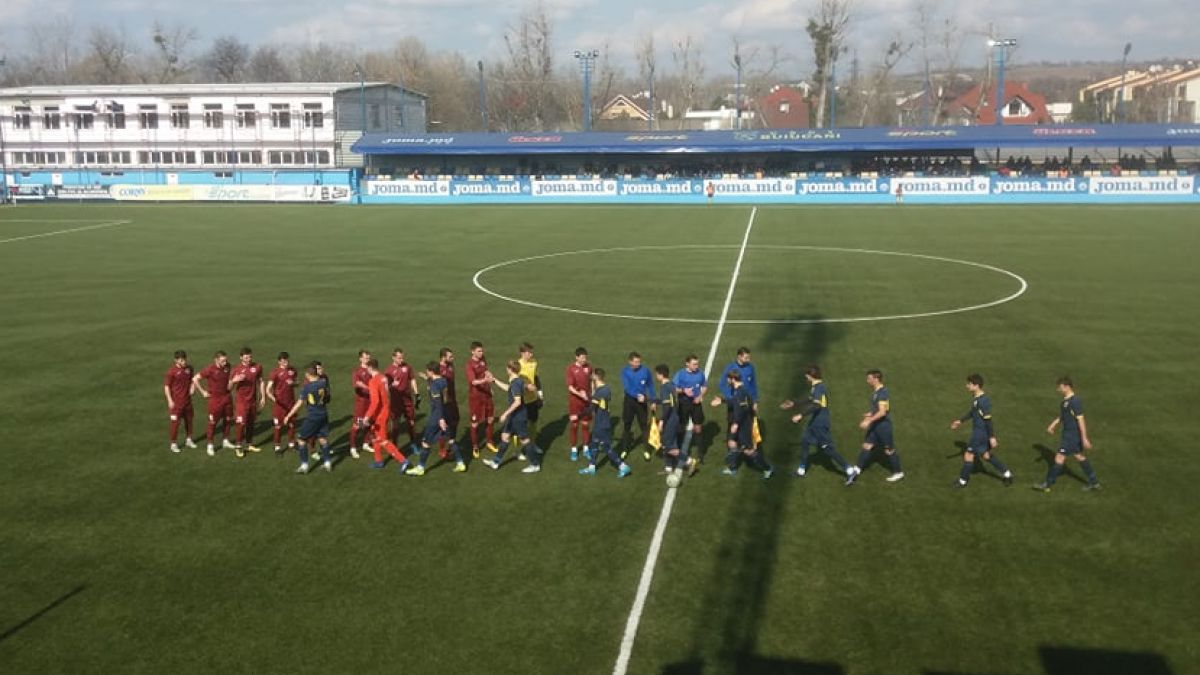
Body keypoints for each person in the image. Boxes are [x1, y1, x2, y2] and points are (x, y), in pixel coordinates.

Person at [781, 365, 854, 481]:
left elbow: (817, 405)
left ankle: (849, 469)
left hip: (820, 423)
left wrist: (800, 415)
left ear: (811, 376)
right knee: (805, 442)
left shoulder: (819, 388)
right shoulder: (816, 387)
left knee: (828, 449)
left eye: (807, 376)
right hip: (815, 422)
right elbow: (810, 399)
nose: (806, 378)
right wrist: (794, 403)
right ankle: (801, 470)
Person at [1034, 377, 1101, 492]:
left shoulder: (1074, 402)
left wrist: (1084, 438)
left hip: (1071, 436)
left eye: (1060, 387)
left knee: (1059, 457)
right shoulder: (1065, 401)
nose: (1058, 389)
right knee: (1078, 456)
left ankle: (1047, 484)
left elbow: (1081, 420)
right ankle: (1094, 482)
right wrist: (1053, 424)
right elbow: (1064, 415)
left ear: (1067, 387)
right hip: (1069, 435)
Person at [950, 374, 1013, 488]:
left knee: (968, 455)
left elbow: (988, 420)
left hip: (980, 434)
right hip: (981, 433)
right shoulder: (977, 398)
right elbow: (972, 412)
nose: (966, 386)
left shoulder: (983, 401)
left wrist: (992, 437)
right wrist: (960, 420)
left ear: (976, 385)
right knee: (986, 456)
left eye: (969, 384)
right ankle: (1007, 474)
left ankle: (962, 481)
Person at [482, 360, 544, 474]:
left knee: (525, 440)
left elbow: (517, 402)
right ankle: (495, 462)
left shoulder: (516, 382)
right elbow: (509, 388)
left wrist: (505, 414)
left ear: (510, 369)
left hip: (518, 417)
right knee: (505, 437)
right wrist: (494, 380)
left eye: (507, 368)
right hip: (514, 416)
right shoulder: (517, 380)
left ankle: (535, 464)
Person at [407, 361, 466, 475]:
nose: (426, 372)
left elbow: (438, 402)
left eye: (427, 371)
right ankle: (460, 463)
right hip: (447, 413)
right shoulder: (444, 381)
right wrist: (427, 378)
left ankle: (420, 468)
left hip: (437, 417)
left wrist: (440, 419)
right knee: (451, 439)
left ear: (431, 371)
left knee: (426, 443)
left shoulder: (434, 385)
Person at [846, 370, 904, 485]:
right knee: (867, 446)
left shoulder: (882, 393)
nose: (867, 381)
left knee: (888, 450)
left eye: (869, 378)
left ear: (876, 379)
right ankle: (857, 469)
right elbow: (880, 409)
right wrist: (870, 413)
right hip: (876, 426)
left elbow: (882, 412)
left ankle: (898, 472)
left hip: (883, 427)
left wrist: (869, 421)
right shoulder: (877, 392)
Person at [579, 368, 631, 477]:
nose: (591, 376)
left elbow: (591, 408)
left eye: (593, 375)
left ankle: (623, 466)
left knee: (606, 448)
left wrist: (577, 416)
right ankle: (591, 467)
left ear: (597, 377)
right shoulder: (606, 389)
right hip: (602, 422)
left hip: (601, 424)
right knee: (594, 444)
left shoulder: (600, 391)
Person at [282, 364, 334, 474]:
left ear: (308, 375)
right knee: (322, 439)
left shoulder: (307, 388)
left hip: (312, 417)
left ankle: (304, 465)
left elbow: (299, 404)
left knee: (301, 440)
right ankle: (328, 463)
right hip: (323, 414)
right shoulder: (323, 382)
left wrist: (288, 415)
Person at [723, 370, 773, 479]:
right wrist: (723, 400)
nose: (727, 381)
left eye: (728, 379)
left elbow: (741, 410)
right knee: (731, 443)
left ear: (733, 379)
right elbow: (742, 404)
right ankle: (732, 468)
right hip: (743, 424)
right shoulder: (741, 391)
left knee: (748, 451)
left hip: (743, 427)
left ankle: (767, 468)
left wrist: (735, 424)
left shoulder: (739, 393)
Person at [364, 358, 410, 471]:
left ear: (370, 368)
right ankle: (378, 461)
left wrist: (367, 416)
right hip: (385, 409)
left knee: (382, 440)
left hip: (379, 414)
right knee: (374, 435)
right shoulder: (383, 377)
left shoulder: (373, 381)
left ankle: (403, 460)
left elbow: (375, 402)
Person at [194, 351, 235, 456]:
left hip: (227, 398)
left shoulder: (228, 366)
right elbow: (195, 379)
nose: (225, 362)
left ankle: (225, 441)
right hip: (215, 400)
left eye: (226, 360)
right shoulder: (209, 369)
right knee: (212, 423)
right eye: (223, 361)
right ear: (216, 360)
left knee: (228, 419)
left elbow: (229, 382)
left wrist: (233, 382)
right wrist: (203, 392)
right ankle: (210, 445)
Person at [228, 347, 266, 458]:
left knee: (250, 423)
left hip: (253, 401)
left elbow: (261, 381)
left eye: (249, 357)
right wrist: (235, 380)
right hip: (241, 403)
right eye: (246, 357)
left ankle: (249, 444)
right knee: (241, 424)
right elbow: (229, 387)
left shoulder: (257, 367)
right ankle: (238, 446)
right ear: (241, 358)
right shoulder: (236, 369)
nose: (248, 359)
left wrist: (263, 397)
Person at [620, 351, 656, 460]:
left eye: (639, 362)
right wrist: (637, 396)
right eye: (635, 362)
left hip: (642, 402)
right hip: (630, 401)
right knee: (627, 425)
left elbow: (650, 386)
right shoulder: (625, 372)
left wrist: (653, 400)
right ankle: (625, 449)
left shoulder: (645, 371)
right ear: (630, 362)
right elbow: (627, 387)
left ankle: (646, 450)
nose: (638, 364)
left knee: (644, 426)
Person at [467, 341, 497, 458]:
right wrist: (485, 381)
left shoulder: (483, 359)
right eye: (479, 351)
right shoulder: (469, 365)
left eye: (482, 350)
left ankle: (489, 441)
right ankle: (475, 446)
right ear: (472, 351)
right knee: (475, 423)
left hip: (487, 395)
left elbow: (485, 371)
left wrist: (489, 382)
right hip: (476, 398)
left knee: (490, 419)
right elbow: (473, 381)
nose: (481, 353)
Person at [385, 348, 419, 451]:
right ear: (393, 357)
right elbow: (385, 388)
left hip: (407, 400)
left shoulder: (407, 366)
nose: (401, 360)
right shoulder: (388, 371)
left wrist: (417, 393)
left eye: (402, 357)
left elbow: (412, 379)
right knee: (395, 425)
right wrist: (392, 385)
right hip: (396, 402)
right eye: (399, 358)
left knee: (411, 423)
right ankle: (394, 446)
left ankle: (413, 443)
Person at [655, 364, 685, 477]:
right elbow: (667, 401)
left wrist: (662, 421)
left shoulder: (664, 387)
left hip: (670, 420)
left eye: (657, 374)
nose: (656, 377)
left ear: (661, 375)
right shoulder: (672, 385)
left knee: (668, 446)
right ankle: (668, 468)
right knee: (667, 443)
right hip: (674, 417)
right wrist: (652, 401)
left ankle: (689, 461)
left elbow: (667, 407)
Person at [163, 350, 197, 453]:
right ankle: (173, 443)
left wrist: (193, 387)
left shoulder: (189, 369)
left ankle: (189, 439)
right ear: (176, 361)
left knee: (189, 421)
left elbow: (193, 380)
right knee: (175, 424)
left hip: (187, 401)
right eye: (181, 360)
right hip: (176, 403)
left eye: (184, 359)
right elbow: (166, 387)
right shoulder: (171, 372)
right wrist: (170, 400)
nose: (184, 362)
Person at [266, 352, 299, 455]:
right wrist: (274, 399)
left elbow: (297, 382)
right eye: (283, 361)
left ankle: (291, 444)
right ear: (279, 362)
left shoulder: (292, 370)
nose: (286, 363)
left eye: (287, 361)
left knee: (291, 424)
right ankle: (277, 446)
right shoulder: (275, 372)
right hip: (279, 404)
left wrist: (293, 383)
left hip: (291, 402)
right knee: (278, 426)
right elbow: (268, 389)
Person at [565, 347, 593, 462]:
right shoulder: (571, 369)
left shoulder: (589, 367)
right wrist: (581, 395)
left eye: (585, 358)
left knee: (585, 424)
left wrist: (593, 394)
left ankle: (586, 447)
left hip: (586, 401)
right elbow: (570, 387)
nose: (584, 360)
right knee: (574, 425)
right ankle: (574, 449)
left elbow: (592, 381)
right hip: (575, 402)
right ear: (576, 357)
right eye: (582, 358)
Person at [673, 354, 707, 445]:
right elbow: (673, 388)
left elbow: (704, 386)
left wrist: (699, 397)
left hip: (696, 403)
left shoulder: (700, 373)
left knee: (698, 427)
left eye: (697, 364)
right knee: (681, 426)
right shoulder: (680, 374)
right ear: (687, 364)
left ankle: (700, 452)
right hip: (683, 404)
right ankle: (678, 446)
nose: (697, 366)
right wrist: (684, 390)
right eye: (694, 364)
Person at [349, 350, 373, 460]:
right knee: (358, 425)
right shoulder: (357, 371)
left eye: (369, 357)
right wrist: (367, 387)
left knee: (368, 423)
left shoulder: (371, 370)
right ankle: (353, 447)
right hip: (362, 403)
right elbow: (356, 384)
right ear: (360, 359)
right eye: (366, 358)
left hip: (371, 401)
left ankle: (366, 443)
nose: (368, 359)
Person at [437, 347, 460, 460]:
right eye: (450, 356)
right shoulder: (438, 369)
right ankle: (442, 450)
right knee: (445, 426)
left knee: (455, 421)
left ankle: (450, 444)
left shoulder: (450, 366)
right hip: (444, 402)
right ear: (443, 357)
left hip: (452, 400)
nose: (453, 358)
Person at [517, 342, 542, 442]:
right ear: (522, 353)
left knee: (533, 423)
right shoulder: (518, 365)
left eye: (532, 353)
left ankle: (532, 443)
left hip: (533, 398)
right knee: (522, 425)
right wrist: (527, 386)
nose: (531, 355)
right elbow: (515, 384)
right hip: (522, 400)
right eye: (529, 353)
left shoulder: (534, 362)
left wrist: (540, 395)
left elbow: (536, 378)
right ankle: (518, 451)